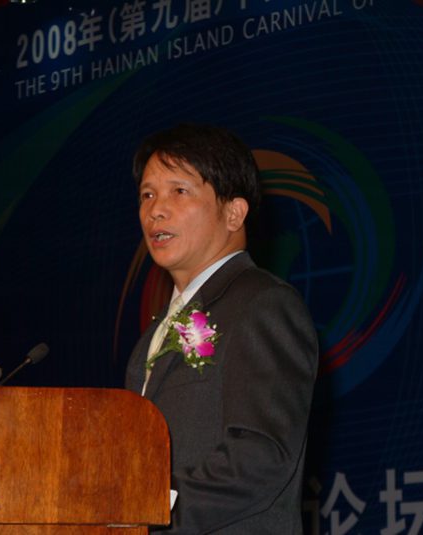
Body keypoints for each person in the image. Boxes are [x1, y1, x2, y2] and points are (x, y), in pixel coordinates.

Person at [125, 123, 318, 534]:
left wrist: (148, 515)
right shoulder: (149, 340)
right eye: (147, 195)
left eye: (179, 191)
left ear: (234, 213)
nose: (155, 210)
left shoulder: (262, 304)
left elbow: (260, 456)